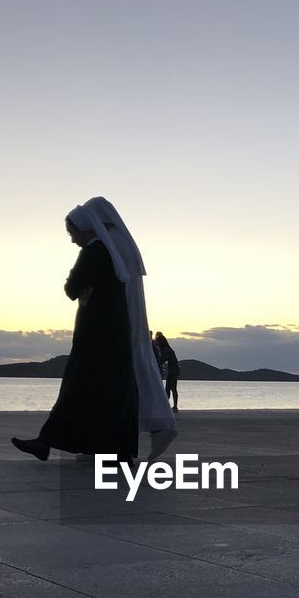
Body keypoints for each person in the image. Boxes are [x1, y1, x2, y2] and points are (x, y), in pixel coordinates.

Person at [10, 203, 138, 462]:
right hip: (114, 332)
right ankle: (114, 448)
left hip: (95, 333)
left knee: (78, 386)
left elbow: (71, 288)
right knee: (110, 389)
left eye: (72, 233)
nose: (72, 239)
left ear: (85, 228)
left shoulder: (94, 252)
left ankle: (46, 442)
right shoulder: (110, 252)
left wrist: (77, 286)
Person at [81, 197, 177, 461]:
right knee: (132, 374)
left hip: (121, 320)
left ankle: (158, 426)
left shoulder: (112, 243)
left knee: (124, 377)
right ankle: (113, 441)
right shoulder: (121, 241)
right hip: (129, 319)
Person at [154, 332, 180, 411]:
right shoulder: (167, 349)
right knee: (169, 388)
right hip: (173, 369)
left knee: (171, 388)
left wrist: (155, 362)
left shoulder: (166, 349)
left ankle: (173, 406)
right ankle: (169, 405)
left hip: (173, 369)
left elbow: (163, 359)